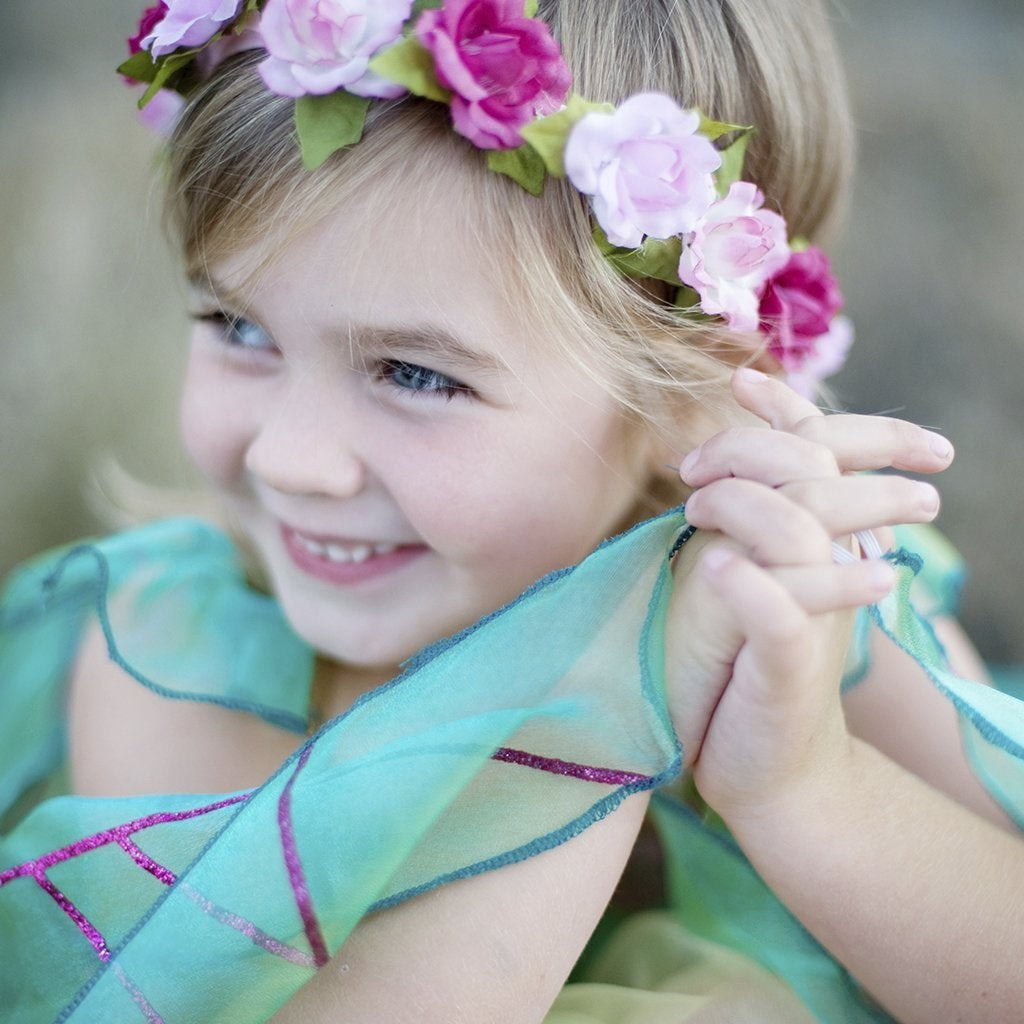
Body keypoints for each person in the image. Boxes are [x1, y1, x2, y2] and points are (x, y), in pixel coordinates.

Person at [2, 1, 1023, 1021]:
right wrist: (610, 708)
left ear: (687, 392)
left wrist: (801, 785)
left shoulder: (799, 605)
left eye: (414, 374)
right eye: (237, 324)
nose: (289, 459)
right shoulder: (176, 650)